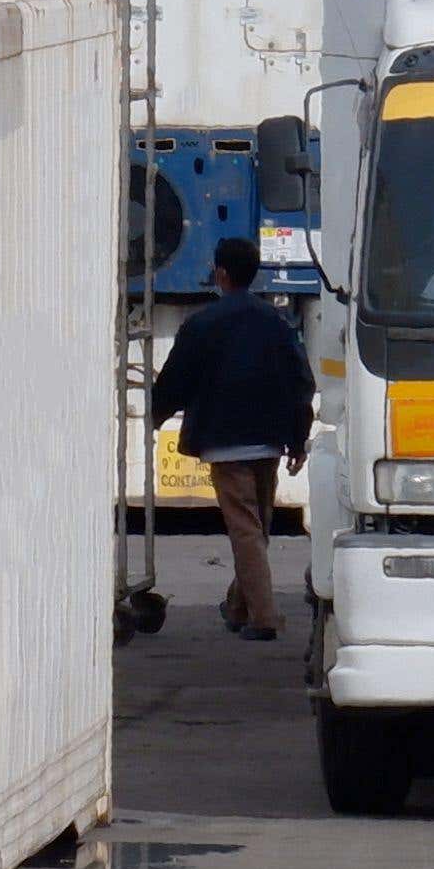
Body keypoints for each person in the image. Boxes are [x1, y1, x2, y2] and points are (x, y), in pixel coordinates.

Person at [144, 240, 318, 644]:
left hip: (225, 443)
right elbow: (300, 383)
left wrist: (154, 417)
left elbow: (175, 381)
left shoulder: (202, 324)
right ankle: (238, 606)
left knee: (245, 532)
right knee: (257, 530)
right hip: (270, 442)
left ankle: (264, 617)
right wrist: (298, 438)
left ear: (221, 274)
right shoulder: (276, 322)